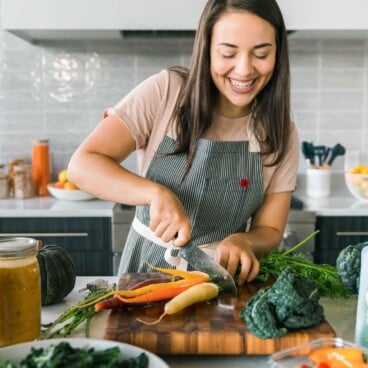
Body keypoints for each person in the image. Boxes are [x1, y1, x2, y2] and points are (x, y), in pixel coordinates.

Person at [67, 0, 299, 286]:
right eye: (228, 53)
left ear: (278, 53)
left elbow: (270, 229)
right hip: (145, 274)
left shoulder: (280, 133)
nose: (244, 69)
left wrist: (245, 241)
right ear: (207, 50)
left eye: (261, 54)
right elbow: (83, 164)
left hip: (220, 281)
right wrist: (155, 194)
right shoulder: (167, 92)